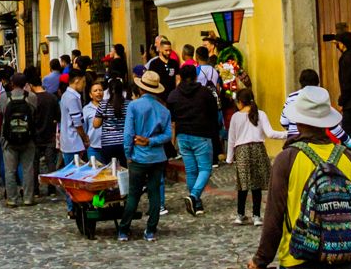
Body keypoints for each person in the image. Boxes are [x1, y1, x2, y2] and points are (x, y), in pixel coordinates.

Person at [249, 85, 351, 269]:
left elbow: (274, 218)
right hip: (344, 263)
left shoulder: (287, 159)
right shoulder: (350, 159)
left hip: (298, 263)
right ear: (327, 122)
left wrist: (260, 261)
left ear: (298, 120)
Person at [117, 70, 172, 242]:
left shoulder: (134, 106)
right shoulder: (164, 110)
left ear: (141, 89)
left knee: (133, 194)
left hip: (138, 157)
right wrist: (151, 141)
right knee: (154, 194)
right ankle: (150, 231)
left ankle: (124, 230)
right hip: (157, 157)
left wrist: (128, 154)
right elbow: (168, 136)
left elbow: (128, 134)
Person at [166, 62, 221, 215]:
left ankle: (196, 205)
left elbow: (171, 116)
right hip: (202, 134)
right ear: (195, 76)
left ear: (181, 77)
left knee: (191, 171)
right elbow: (213, 113)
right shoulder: (204, 93)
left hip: (183, 136)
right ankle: (194, 196)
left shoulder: (174, 95)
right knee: (205, 169)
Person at [226, 87, 286, 225]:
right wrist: (287, 134)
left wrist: (229, 158)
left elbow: (232, 139)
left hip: (241, 152)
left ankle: (240, 214)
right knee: (256, 184)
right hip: (258, 149)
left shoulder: (236, 117)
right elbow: (270, 133)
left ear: (240, 102)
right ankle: (256, 216)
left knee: (243, 184)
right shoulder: (260, 114)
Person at [0, 72, 39, 207]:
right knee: (28, 169)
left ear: (12, 83)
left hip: (9, 139)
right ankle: (28, 198)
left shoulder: (5, 97)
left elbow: (0, 111)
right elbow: (34, 111)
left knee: (10, 170)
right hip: (28, 138)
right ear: (25, 83)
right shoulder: (31, 97)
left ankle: (12, 199)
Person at [30, 71, 60, 194]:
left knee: (34, 164)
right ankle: (51, 189)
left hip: (35, 136)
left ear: (31, 85)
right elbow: (58, 116)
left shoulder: (32, 99)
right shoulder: (52, 97)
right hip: (49, 134)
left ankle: (36, 190)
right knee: (50, 163)